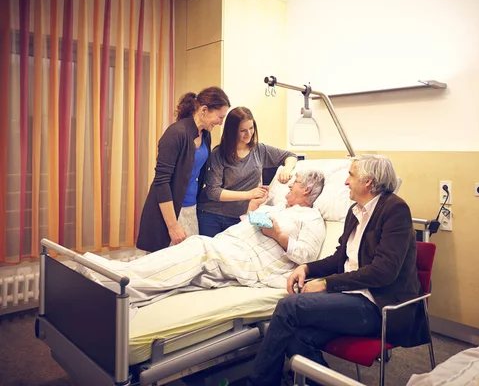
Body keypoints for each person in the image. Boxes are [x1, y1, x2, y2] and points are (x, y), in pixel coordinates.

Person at [249, 155, 429, 386]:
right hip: (351, 299)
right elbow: (339, 259)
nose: (345, 182)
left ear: (369, 182)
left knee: (289, 306)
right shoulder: (356, 212)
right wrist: (306, 267)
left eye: (351, 175)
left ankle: (258, 383)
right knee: (296, 337)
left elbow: (384, 272)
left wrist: (326, 284)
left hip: (378, 306)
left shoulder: (395, 210)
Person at [84, 170, 326, 306]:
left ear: (306, 189)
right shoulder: (277, 207)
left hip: (250, 262)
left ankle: (120, 282)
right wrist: (252, 211)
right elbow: (248, 225)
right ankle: (123, 274)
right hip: (229, 243)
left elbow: (307, 255)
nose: (289, 186)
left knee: (201, 248)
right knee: (195, 246)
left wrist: (278, 234)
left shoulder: (312, 218)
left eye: (295, 183)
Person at [136, 87, 231, 253]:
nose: (220, 123)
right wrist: (173, 227)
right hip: (170, 212)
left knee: (187, 263)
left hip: (190, 209)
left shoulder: (205, 135)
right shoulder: (176, 134)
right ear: (204, 110)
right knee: (164, 267)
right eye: (219, 117)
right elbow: (161, 182)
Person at [198, 107, 298, 237]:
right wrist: (249, 194)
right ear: (232, 132)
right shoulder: (219, 154)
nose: (249, 134)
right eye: (243, 130)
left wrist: (286, 169)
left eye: (251, 128)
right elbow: (213, 192)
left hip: (240, 216)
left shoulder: (259, 150)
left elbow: (290, 156)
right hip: (212, 214)